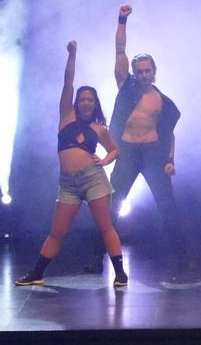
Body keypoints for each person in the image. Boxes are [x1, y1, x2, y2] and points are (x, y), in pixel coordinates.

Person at [84, 4, 189, 276]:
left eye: (147, 71)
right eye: (139, 71)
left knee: (168, 208)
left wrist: (170, 160)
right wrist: (121, 20)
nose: (143, 75)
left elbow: (168, 132)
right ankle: (95, 258)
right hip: (128, 153)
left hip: (154, 155)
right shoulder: (127, 86)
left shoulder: (162, 101)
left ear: (154, 71)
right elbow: (119, 51)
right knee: (112, 206)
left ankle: (182, 260)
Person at [15, 40, 127, 287]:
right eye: (83, 99)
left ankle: (120, 273)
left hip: (93, 178)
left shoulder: (99, 128)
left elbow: (115, 149)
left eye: (91, 100)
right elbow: (68, 81)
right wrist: (72, 54)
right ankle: (36, 273)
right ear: (77, 102)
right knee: (57, 231)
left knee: (106, 226)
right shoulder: (66, 115)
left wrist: (106, 159)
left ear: (95, 104)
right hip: (68, 184)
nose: (86, 102)